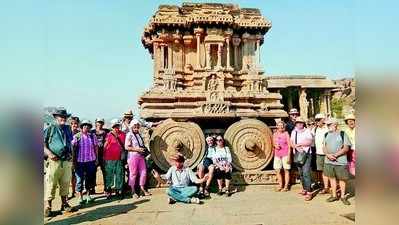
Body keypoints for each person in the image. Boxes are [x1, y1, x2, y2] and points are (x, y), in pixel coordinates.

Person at [44, 108, 74, 217]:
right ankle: (48, 206)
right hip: (53, 161)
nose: (63, 119)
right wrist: (50, 154)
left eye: (65, 117)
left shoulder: (68, 128)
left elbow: (70, 143)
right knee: (51, 183)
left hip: (66, 160)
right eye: (61, 117)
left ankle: (64, 204)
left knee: (65, 183)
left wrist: (72, 156)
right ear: (56, 118)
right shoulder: (50, 129)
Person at [323, 118, 352, 205]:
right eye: (327, 125)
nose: (328, 126)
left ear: (335, 124)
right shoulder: (326, 134)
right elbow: (324, 147)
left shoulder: (342, 134)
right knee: (332, 178)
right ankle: (334, 195)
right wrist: (328, 155)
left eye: (329, 124)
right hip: (328, 161)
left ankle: (343, 196)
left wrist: (335, 155)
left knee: (342, 179)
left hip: (340, 161)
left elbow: (346, 148)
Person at [71, 120, 99, 206]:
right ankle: (80, 197)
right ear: (82, 127)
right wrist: (73, 161)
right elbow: (73, 149)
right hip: (80, 161)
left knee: (89, 179)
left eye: (88, 126)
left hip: (90, 160)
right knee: (79, 179)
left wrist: (97, 158)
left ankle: (88, 195)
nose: (86, 127)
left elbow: (95, 147)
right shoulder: (77, 136)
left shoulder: (92, 136)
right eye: (84, 126)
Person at [125, 119, 151, 197]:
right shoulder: (129, 135)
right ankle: (133, 191)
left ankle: (142, 188)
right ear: (132, 127)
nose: (136, 128)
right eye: (134, 127)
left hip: (140, 156)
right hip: (133, 156)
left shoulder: (138, 134)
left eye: (137, 127)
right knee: (133, 173)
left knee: (143, 172)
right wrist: (137, 149)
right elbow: (126, 147)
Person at [291, 117, 314, 201]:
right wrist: (296, 147)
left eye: (301, 122)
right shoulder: (294, 132)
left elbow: (310, 141)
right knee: (300, 172)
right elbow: (291, 142)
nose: (299, 124)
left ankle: (309, 191)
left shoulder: (307, 131)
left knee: (306, 172)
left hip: (306, 154)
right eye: (298, 122)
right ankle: (304, 188)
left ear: (303, 123)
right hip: (297, 154)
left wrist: (299, 145)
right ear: (296, 124)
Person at [103, 119, 126, 199]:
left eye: (117, 126)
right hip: (109, 158)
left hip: (119, 158)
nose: (116, 128)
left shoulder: (123, 134)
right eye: (114, 127)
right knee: (109, 175)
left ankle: (118, 190)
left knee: (119, 174)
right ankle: (108, 190)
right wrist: (103, 157)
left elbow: (124, 145)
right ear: (112, 127)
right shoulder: (109, 135)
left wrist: (124, 154)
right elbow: (105, 146)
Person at [90, 118, 109, 194]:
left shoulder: (107, 132)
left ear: (103, 124)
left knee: (105, 172)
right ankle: (92, 188)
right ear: (95, 123)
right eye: (98, 122)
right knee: (92, 172)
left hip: (104, 155)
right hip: (94, 155)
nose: (99, 124)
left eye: (101, 122)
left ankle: (106, 188)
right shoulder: (92, 132)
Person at [313, 113, 330, 194]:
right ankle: (326, 187)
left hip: (328, 153)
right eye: (317, 120)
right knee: (323, 171)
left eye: (319, 120)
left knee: (330, 171)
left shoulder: (328, 128)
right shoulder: (315, 129)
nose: (318, 122)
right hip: (319, 153)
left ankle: (332, 186)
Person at [273, 120, 291, 192]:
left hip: (285, 154)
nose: (280, 127)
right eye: (279, 125)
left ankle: (286, 186)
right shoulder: (275, 134)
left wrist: (289, 155)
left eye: (282, 126)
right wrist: (275, 145)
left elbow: (289, 145)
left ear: (284, 127)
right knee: (278, 170)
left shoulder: (286, 134)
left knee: (286, 170)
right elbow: (273, 142)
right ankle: (280, 185)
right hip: (277, 154)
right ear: (277, 126)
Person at [69, 116, 80, 199]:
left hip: (78, 157)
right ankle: (70, 192)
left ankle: (75, 191)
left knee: (76, 175)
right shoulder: (67, 133)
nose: (74, 125)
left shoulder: (80, 133)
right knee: (68, 175)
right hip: (68, 157)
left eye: (76, 123)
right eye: (72, 123)